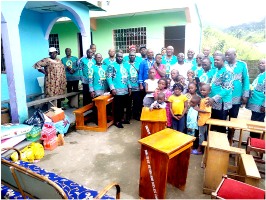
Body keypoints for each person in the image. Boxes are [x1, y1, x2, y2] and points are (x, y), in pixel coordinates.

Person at [225, 48, 250, 144]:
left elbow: (246, 80)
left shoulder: (242, 65)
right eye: (225, 55)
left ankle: (230, 139)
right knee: (222, 118)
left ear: (235, 55)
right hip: (224, 97)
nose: (226, 56)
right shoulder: (224, 64)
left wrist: (245, 95)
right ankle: (222, 138)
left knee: (233, 118)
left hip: (236, 96)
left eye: (228, 55)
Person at [206, 53, 233, 134]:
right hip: (213, 102)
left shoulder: (228, 71)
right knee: (213, 125)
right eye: (214, 60)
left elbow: (227, 88)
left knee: (220, 126)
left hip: (221, 103)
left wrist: (214, 98)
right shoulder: (217, 70)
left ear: (223, 61)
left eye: (218, 60)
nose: (215, 61)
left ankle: (220, 145)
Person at [106, 52, 131, 128]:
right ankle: (117, 121)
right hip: (116, 90)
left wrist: (129, 87)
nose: (120, 58)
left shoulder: (125, 65)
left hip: (125, 90)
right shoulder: (111, 65)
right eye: (118, 57)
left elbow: (127, 77)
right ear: (116, 57)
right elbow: (109, 78)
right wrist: (112, 88)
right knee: (117, 107)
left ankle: (122, 119)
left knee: (123, 106)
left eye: (121, 57)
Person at [246, 59, 265, 138]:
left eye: (263, 63)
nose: (260, 64)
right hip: (255, 103)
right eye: (259, 63)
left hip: (260, 104)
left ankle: (256, 141)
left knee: (258, 122)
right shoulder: (261, 75)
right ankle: (252, 139)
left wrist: (264, 105)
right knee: (254, 120)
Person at [193, 84, 212, 155]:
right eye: (201, 90)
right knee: (201, 134)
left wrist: (198, 109)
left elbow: (207, 110)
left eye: (204, 90)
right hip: (202, 119)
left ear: (209, 91)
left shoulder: (207, 100)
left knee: (201, 135)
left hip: (204, 120)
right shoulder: (202, 99)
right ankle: (202, 149)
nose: (202, 91)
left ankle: (199, 149)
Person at [124, 51, 142, 122]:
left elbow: (140, 74)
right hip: (128, 87)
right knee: (128, 103)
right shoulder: (125, 64)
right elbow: (125, 75)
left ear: (135, 57)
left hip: (137, 86)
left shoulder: (138, 64)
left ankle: (136, 115)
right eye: (131, 55)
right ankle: (128, 117)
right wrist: (128, 86)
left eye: (133, 55)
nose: (132, 56)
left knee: (136, 102)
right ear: (129, 56)